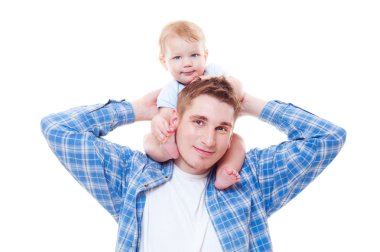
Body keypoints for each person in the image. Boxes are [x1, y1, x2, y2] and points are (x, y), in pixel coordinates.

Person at [41, 77, 346, 251]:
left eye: (222, 127)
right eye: (199, 121)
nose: (209, 140)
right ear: (176, 121)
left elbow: (328, 138)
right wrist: (135, 110)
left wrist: (248, 103)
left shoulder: (250, 178)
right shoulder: (131, 175)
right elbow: (57, 129)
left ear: (232, 134)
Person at [144, 20, 245, 190]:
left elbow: (238, 88)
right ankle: (167, 151)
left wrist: (216, 81)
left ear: (205, 55)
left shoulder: (213, 72)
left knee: (237, 141)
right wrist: (160, 124)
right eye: (177, 57)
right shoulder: (170, 90)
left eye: (194, 55)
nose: (187, 63)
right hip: (179, 141)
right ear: (164, 61)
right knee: (149, 140)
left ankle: (225, 171)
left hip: (216, 149)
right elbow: (166, 116)